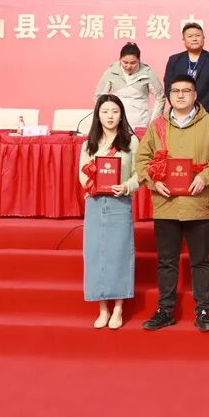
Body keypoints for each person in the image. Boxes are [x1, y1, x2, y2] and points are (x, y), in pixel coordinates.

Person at [135, 74, 209, 332]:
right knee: (166, 261)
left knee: (200, 261)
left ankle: (203, 310)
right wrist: (154, 182)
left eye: (186, 91)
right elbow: (142, 160)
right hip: (165, 203)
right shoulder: (157, 126)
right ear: (169, 96)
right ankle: (165, 310)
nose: (180, 95)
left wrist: (204, 177)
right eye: (175, 91)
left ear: (195, 95)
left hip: (198, 203)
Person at [78, 94, 141, 329]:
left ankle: (118, 308)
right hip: (95, 204)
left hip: (119, 203)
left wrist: (127, 187)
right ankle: (102, 308)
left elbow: (140, 173)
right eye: (105, 112)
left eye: (115, 111)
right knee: (95, 255)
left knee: (119, 254)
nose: (110, 116)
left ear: (121, 114)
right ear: (98, 115)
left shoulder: (131, 142)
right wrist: (92, 186)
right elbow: (82, 173)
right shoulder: (89, 144)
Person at [94, 42, 165, 128]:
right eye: (125, 62)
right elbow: (99, 97)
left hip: (140, 123)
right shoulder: (111, 71)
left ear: (139, 60)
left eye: (133, 63)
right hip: (116, 122)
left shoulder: (147, 72)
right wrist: (104, 118)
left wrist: (154, 123)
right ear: (120, 59)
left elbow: (160, 97)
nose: (128, 66)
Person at [162, 22, 209, 117]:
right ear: (184, 39)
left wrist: (199, 109)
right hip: (180, 113)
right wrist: (180, 106)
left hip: (206, 113)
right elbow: (168, 86)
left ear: (203, 38)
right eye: (190, 36)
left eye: (198, 35)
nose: (194, 39)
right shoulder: (174, 60)